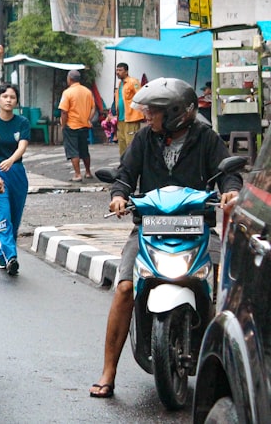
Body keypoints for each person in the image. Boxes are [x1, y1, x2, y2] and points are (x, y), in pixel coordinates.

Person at [89, 77, 241, 399]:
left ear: (174, 113)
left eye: (153, 111)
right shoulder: (144, 139)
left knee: (222, 289)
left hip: (197, 228)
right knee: (125, 287)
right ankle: (108, 371)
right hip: (148, 228)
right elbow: (125, 174)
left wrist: (230, 191)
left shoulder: (206, 138)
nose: (147, 116)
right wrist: (118, 195)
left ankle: (226, 371)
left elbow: (228, 172)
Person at [0, 84, 30, 276]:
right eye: (4, 96)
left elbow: (22, 145)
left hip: (17, 172)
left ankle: (2, 253)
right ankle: (11, 256)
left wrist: (12, 160)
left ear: (16, 101)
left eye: (12, 97)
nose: (8, 100)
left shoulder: (22, 122)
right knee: (3, 215)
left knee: (14, 217)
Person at [59, 70, 95, 182]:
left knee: (73, 150)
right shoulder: (87, 91)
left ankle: (77, 174)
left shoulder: (67, 93)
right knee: (84, 150)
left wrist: (63, 125)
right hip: (84, 125)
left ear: (69, 79)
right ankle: (88, 172)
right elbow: (93, 107)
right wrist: (88, 119)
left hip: (72, 125)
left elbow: (64, 111)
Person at [113, 62, 144, 156]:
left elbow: (140, 96)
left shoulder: (133, 82)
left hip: (131, 118)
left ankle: (134, 166)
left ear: (126, 71)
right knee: (122, 144)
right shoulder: (120, 84)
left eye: (120, 70)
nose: (117, 72)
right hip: (121, 118)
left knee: (131, 144)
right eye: (117, 70)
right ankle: (123, 166)